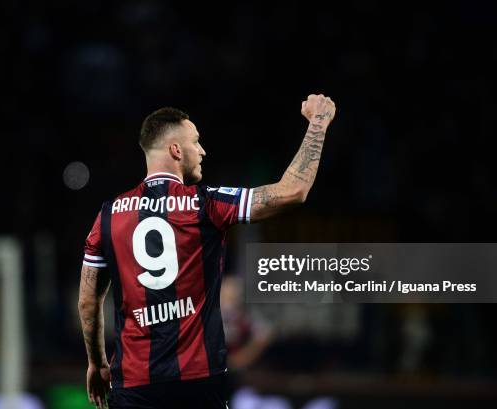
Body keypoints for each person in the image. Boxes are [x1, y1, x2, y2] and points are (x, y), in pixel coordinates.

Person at [78, 94, 336, 409]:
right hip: (198, 382)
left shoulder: (109, 215)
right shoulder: (205, 203)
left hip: (134, 383)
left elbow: (88, 301)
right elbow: (292, 191)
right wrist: (319, 123)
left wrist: (97, 363)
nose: (202, 150)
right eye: (196, 142)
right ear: (175, 150)